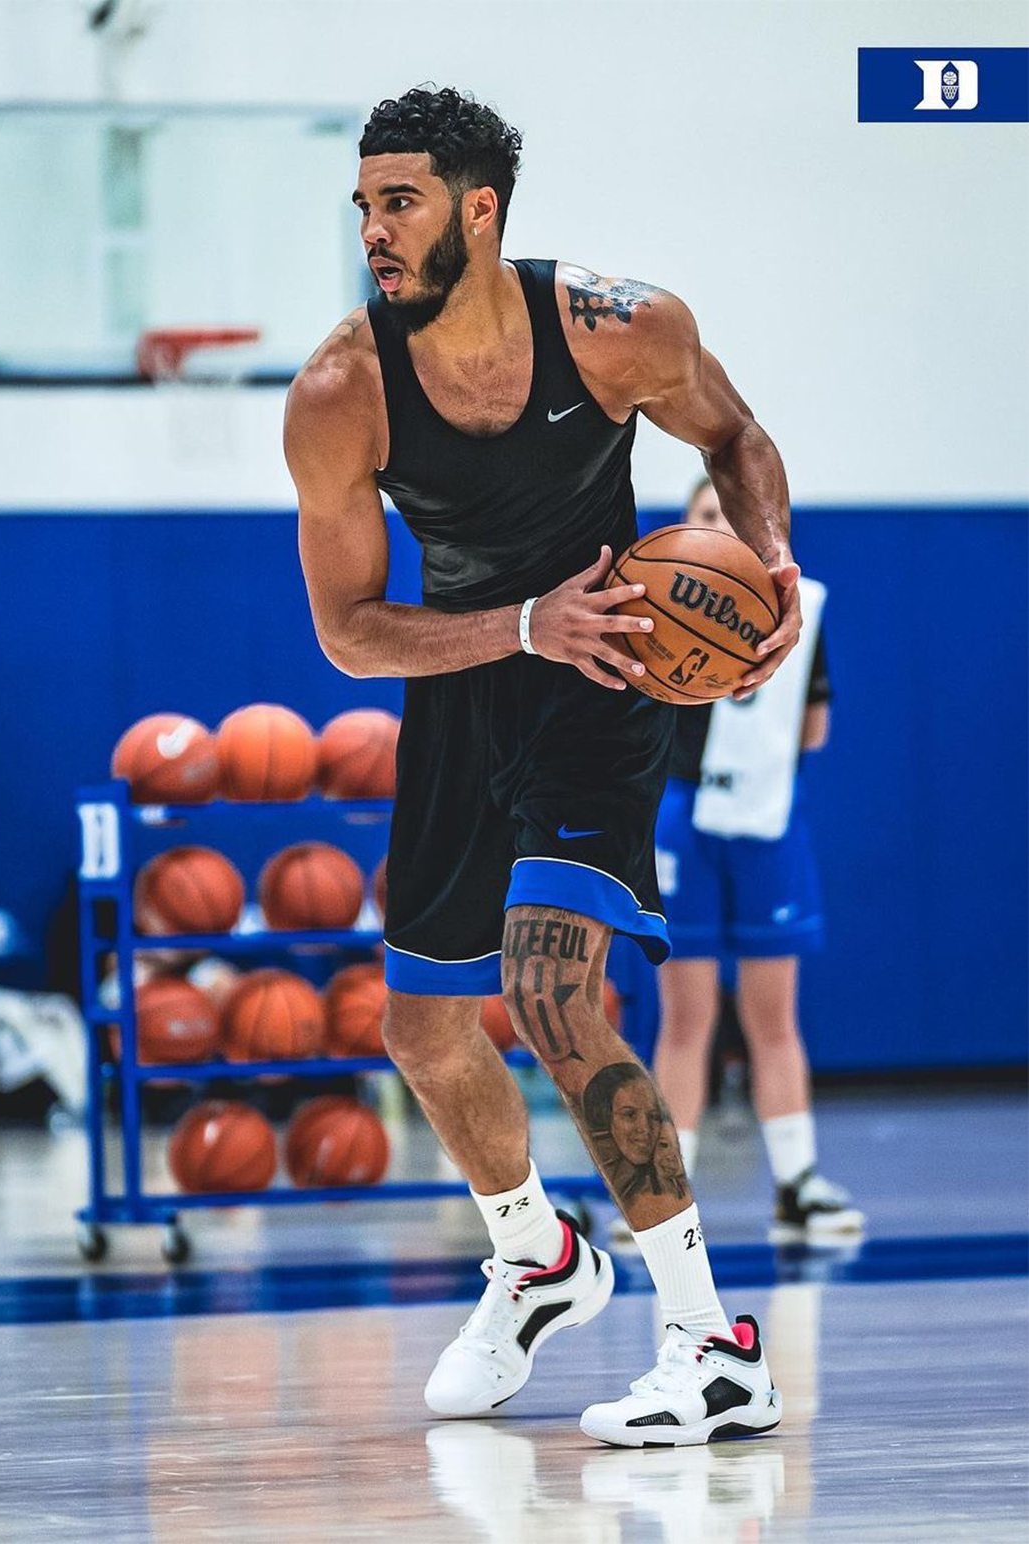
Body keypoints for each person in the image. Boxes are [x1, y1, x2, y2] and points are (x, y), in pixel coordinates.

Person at [284, 86, 802, 1448]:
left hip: (612, 669)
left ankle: (710, 1342)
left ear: (479, 208)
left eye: (398, 203)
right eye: (364, 205)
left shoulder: (620, 329)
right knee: (419, 1030)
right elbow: (346, 633)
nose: (373, 231)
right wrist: (517, 624)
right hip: (465, 678)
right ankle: (537, 1256)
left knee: (552, 991)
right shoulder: (343, 389)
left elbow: (736, 440)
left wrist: (773, 566)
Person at [651, 478, 863, 1239]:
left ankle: (798, 1183)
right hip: (683, 814)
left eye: (731, 516)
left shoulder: (801, 610)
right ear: (684, 526)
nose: (719, 526)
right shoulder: (654, 600)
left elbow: (814, 729)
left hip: (768, 817)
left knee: (774, 1016)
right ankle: (663, 1200)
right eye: (705, 515)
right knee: (686, 1019)